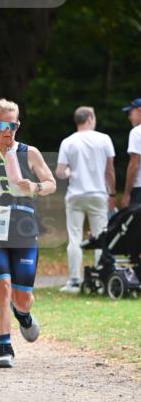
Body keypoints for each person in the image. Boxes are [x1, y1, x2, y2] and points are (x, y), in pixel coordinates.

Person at [0, 99, 56, 369]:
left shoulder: (30, 153)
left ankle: (23, 315)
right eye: (4, 124)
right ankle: (5, 347)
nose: (9, 130)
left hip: (24, 227)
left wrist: (36, 187)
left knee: (23, 297)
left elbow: (51, 183)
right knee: (1, 287)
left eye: (14, 124)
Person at [55, 106, 115, 293]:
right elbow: (110, 170)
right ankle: (100, 279)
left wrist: (69, 172)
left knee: (74, 237)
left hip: (76, 195)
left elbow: (59, 172)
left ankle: (74, 280)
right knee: (101, 236)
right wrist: (112, 193)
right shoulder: (104, 139)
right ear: (89, 119)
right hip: (98, 194)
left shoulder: (68, 142)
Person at [121, 97, 141, 208]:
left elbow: (134, 165)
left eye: (130, 112)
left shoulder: (137, 132)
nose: (129, 117)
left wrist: (127, 194)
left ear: (139, 110)